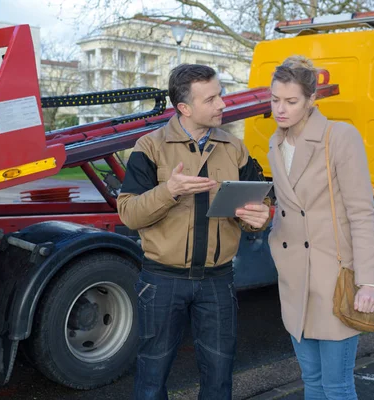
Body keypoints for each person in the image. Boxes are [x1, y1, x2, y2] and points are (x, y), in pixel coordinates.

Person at [117, 63, 271, 400]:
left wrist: (260, 217)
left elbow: (256, 205)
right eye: (212, 99)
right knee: (151, 377)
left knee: (219, 377)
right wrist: (169, 190)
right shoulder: (149, 147)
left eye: (221, 95)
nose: (222, 105)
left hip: (218, 281)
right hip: (161, 281)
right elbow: (129, 214)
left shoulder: (235, 148)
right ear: (184, 108)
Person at [266, 55, 374, 400]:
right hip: (294, 280)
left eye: (291, 101)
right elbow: (286, 209)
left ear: (312, 99)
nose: (280, 109)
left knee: (337, 386)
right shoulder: (275, 143)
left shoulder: (340, 136)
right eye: (274, 100)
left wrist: (368, 282)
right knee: (311, 381)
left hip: (334, 280)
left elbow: (361, 213)